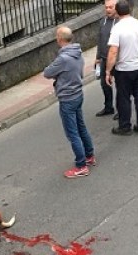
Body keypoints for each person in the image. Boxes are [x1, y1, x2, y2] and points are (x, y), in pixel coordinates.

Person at [44, 26, 95, 179]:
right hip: (78, 94)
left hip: (67, 98)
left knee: (72, 133)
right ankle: (89, 155)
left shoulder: (63, 58)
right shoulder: (77, 53)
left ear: (60, 38)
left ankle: (81, 165)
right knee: (81, 127)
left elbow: (47, 73)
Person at [106, 0, 138, 136]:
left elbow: (113, 52)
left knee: (123, 97)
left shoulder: (118, 28)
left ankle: (125, 126)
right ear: (130, 10)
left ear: (117, 12)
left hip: (125, 69)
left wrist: (108, 71)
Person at [95, 0, 119, 120]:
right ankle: (108, 107)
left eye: (111, 7)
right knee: (104, 84)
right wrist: (98, 58)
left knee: (120, 85)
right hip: (104, 58)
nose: (108, 10)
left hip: (117, 59)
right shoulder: (102, 22)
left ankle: (121, 109)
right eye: (106, 7)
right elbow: (100, 41)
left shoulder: (120, 23)